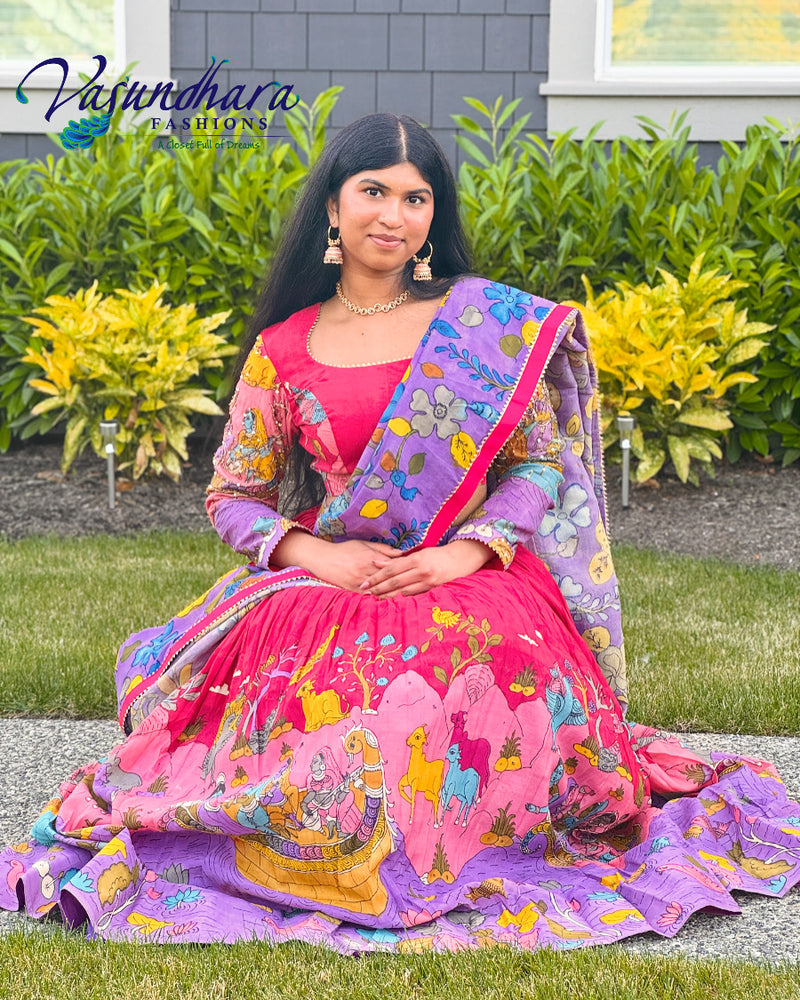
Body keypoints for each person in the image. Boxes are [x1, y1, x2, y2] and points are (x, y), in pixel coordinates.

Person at [2, 113, 799, 951]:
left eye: (416, 198)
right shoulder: (284, 347)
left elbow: (536, 466)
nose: (394, 214)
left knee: (440, 693)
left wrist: (464, 551)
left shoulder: (483, 324)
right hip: (325, 583)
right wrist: (319, 554)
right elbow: (234, 494)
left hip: (474, 578)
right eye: (373, 191)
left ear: (432, 218)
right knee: (335, 723)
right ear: (334, 210)